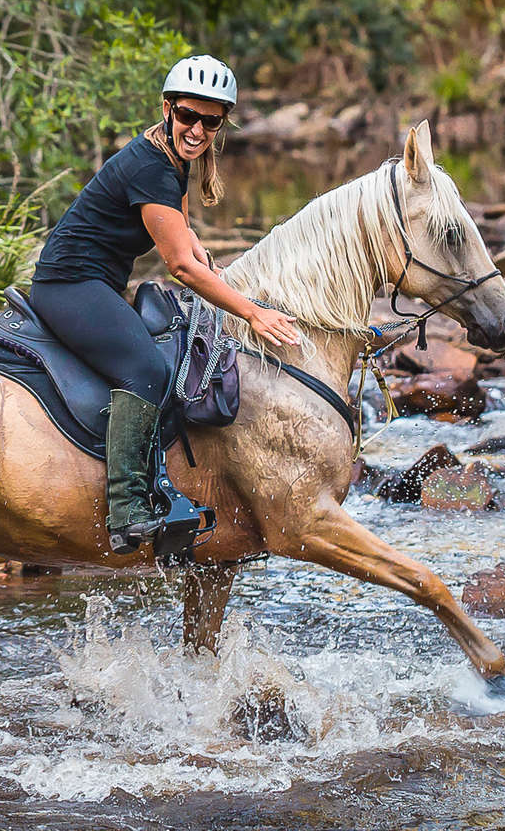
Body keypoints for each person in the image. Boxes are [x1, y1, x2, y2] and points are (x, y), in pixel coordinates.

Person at [32, 54, 303, 553]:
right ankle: (127, 508)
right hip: (71, 283)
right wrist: (251, 311)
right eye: (187, 116)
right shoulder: (151, 167)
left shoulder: (168, 159)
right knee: (145, 368)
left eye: (210, 121)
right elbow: (179, 266)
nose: (197, 129)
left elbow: (180, 231)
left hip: (95, 282)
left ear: (221, 124)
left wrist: (206, 257)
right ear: (167, 108)